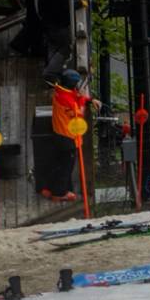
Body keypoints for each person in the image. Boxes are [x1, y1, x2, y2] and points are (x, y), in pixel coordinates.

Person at [42, 69, 97, 202]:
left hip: (58, 132)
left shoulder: (60, 91)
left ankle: (48, 188)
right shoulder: (67, 99)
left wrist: (90, 99)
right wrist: (83, 100)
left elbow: (75, 97)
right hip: (67, 136)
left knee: (57, 163)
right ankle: (59, 193)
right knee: (66, 166)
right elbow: (79, 114)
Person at [38, 0, 72, 80]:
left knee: (52, 47)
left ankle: (50, 71)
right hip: (58, 27)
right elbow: (67, 8)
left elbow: (41, 8)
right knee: (65, 48)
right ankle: (50, 72)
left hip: (46, 25)